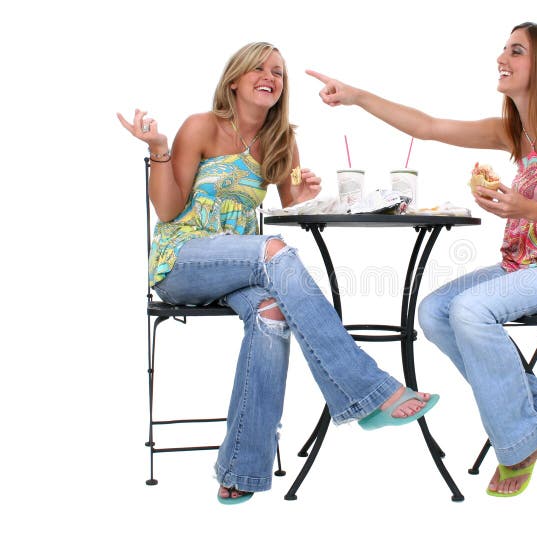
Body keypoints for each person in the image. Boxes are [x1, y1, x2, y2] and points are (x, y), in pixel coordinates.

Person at [118, 42, 439, 505]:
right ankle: (368, 390)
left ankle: (242, 468)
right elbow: (168, 210)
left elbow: (291, 210)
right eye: (259, 69)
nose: (271, 76)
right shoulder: (202, 126)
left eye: (279, 72)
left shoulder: (281, 138)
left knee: (271, 314)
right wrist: (160, 150)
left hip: (243, 269)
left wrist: (302, 191)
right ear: (235, 80)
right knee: (273, 250)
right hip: (183, 261)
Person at [307, 22, 537, 497]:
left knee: (473, 310)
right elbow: (427, 127)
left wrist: (524, 208)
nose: (502, 58)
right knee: (434, 310)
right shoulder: (516, 131)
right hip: (528, 267)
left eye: (516, 51)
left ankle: (517, 443)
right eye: (504, 49)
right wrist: (356, 96)